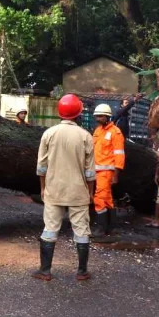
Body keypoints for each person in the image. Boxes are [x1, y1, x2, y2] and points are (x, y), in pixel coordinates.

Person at [33, 94, 96, 281]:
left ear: (59, 112)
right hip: (78, 192)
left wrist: (43, 188)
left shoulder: (49, 134)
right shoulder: (86, 136)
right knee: (82, 232)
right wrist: (90, 193)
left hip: (54, 190)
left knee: (50, 229)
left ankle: (45, 271)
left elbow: (41, 167)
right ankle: (82, 271)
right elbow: (90, 171)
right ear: (78, 114)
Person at [90, 103, 125, 237]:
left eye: (100, 116)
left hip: (107, 172)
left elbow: (119, 154)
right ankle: (111, 228)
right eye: (96, 116)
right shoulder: (98, 131)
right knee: (108, 200)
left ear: (107, 117)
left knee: (99, 198)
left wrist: (116, 174)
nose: (97, 118)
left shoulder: (115, 133)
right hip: (97, 171)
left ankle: (100, 229)